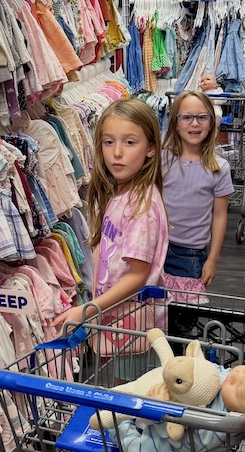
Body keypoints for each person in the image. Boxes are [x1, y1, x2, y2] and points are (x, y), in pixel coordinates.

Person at [54, 99, 168, 328]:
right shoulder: (120, 193)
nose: (117, 152)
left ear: (151, 148)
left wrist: (87, 310)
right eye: (108, 142)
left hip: (134, 329)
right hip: (114, 321)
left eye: (129, 142)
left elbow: (137, 275)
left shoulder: (141, 206)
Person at [161, 91, 233, 295]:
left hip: (191, 253)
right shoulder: (162, 160)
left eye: (202, 117)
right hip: (155, 245)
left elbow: (220, 215)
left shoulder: (219, 167)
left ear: (211, 123)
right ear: (175, 122)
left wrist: (212, 259)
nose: (195, 124)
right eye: (187, 117)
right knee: (153, 308)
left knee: (184, 313)